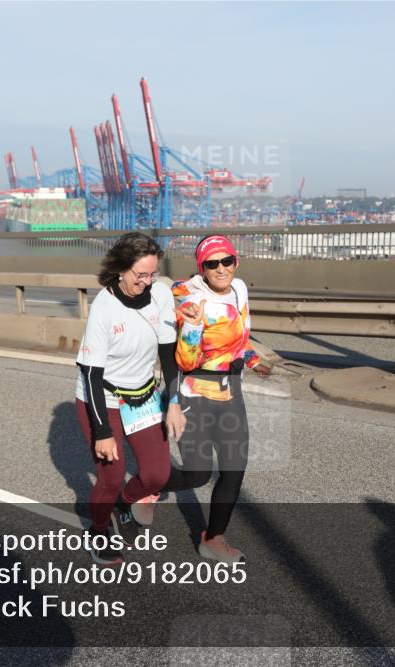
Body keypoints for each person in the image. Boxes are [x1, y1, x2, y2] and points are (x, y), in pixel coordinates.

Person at [74, 232, 186, 566]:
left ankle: (124, 503)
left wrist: (174, 402)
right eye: (140, 275)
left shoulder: (160, 293)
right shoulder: (104, 308)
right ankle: (98, 531)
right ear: (121, 269)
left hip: (143, 393)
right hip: (102, 396)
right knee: (112, 474)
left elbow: (169, 356)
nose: (147, 282)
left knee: (156, 475)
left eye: (153, 274)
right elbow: (91, 375)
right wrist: (103, 432)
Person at [159, 234, 271, 563]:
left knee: (234, 470)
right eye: (212, 264)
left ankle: (213, 538)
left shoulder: (240, 290)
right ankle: (145, 485)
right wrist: (193, 327)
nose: (221, 269)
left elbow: (237, 340)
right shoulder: (192, 301)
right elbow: (185, 362)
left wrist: (253, 360)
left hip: (230, 390)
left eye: (227, 261)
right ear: (202, 268)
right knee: (198, 475)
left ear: (236, 262)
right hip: (194, 393)